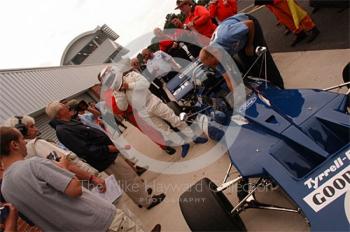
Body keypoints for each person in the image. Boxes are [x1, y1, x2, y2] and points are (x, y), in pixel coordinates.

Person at [0, 127, 161, 232]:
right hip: (100, 222)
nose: (25, 143)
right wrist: (62, 167)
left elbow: (32, 221)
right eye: (22, 139)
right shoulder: (33, 164)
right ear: (14, 145)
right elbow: (74, 189)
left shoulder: (5, 189)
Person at [45, 101, 166, 209]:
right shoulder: (63, 130)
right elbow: (85, 149)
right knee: (128, 179)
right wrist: (108, 148)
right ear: (60, 112)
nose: (67, 107)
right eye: (63, 106)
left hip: (107, 154)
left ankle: (141, 196)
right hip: (105, 157)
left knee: (128, 178)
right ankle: (147, 201)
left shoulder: (68, 123)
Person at [110, 68, 208, 158]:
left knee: (175, 119)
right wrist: (120, 93)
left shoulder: (131, 75)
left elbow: (145, 84)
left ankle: (193, 137)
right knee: (164, 130)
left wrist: (129, 86)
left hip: (153, 102)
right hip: (143, 112)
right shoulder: (116, 92)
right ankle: (183, 143)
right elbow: (123, 107)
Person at [199, 13, 285, 90]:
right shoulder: (214, 59)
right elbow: (228, 79)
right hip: (238, 40)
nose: (215, 66)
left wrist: (249, 45)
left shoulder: (226, 35)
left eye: (214, 64)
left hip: (249, 26)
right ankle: (265, 91)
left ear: (214, 54)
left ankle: (280, 88)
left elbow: (250, 24)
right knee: (250, 68)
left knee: (263, 61)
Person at [255, 0, 320, 46]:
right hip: (270, 3)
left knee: (297, 14)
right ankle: (300, 33)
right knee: (285, 19)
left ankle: (313, 28)